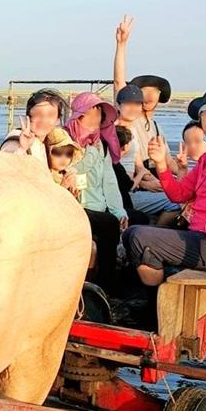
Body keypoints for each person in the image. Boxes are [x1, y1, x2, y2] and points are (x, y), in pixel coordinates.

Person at [123, 87, 206, 287]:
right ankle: (157, 299)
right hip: (196, 235)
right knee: (132, 234)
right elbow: (180, 194)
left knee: (141, 238)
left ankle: (155, 303)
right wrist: (161, 164)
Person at [66, 92, 126, 290]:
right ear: (78, 116)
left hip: (99, 205)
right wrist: (91, 150)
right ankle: (106, 284)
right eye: (89, 113)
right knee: (108, 224)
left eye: (98, 113)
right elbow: (75, 169)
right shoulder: (65, 141)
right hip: (75, 206)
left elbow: (110, 182)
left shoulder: (102, 145)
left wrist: (120, 211)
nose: (94, 118)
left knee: (133, 218)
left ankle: (115, 277)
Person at [113, 15, 172, 183]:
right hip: (134, 183)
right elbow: (119, 82)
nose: (149, 96)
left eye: (154, 92)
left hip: (148, 175)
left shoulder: (156, 127)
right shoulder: (130, 118)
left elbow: (167, 160)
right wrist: (122, 45)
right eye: (144, 92)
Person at [1, 89, 68, 157]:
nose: (43, 120)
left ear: (57, 120)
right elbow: (4, 162)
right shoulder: (17, 138)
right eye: (38, 114)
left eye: (50, 115)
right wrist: (21, 149)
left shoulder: (47, 144)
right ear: (28, 117)